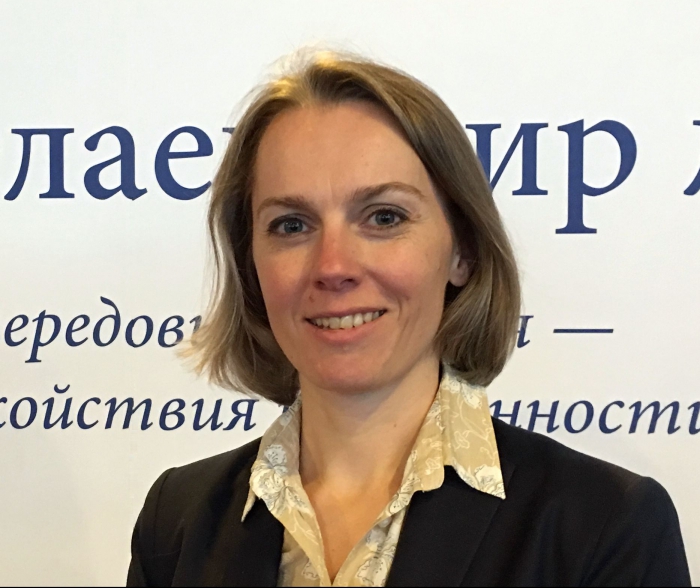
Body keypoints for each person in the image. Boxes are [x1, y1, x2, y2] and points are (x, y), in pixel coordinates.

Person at [126, 50, 691, 587]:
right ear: (250, 262)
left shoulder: (605, 527)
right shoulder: (176, 522)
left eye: (384, 217)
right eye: (291, 225)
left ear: (462, 250)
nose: (333, 266)